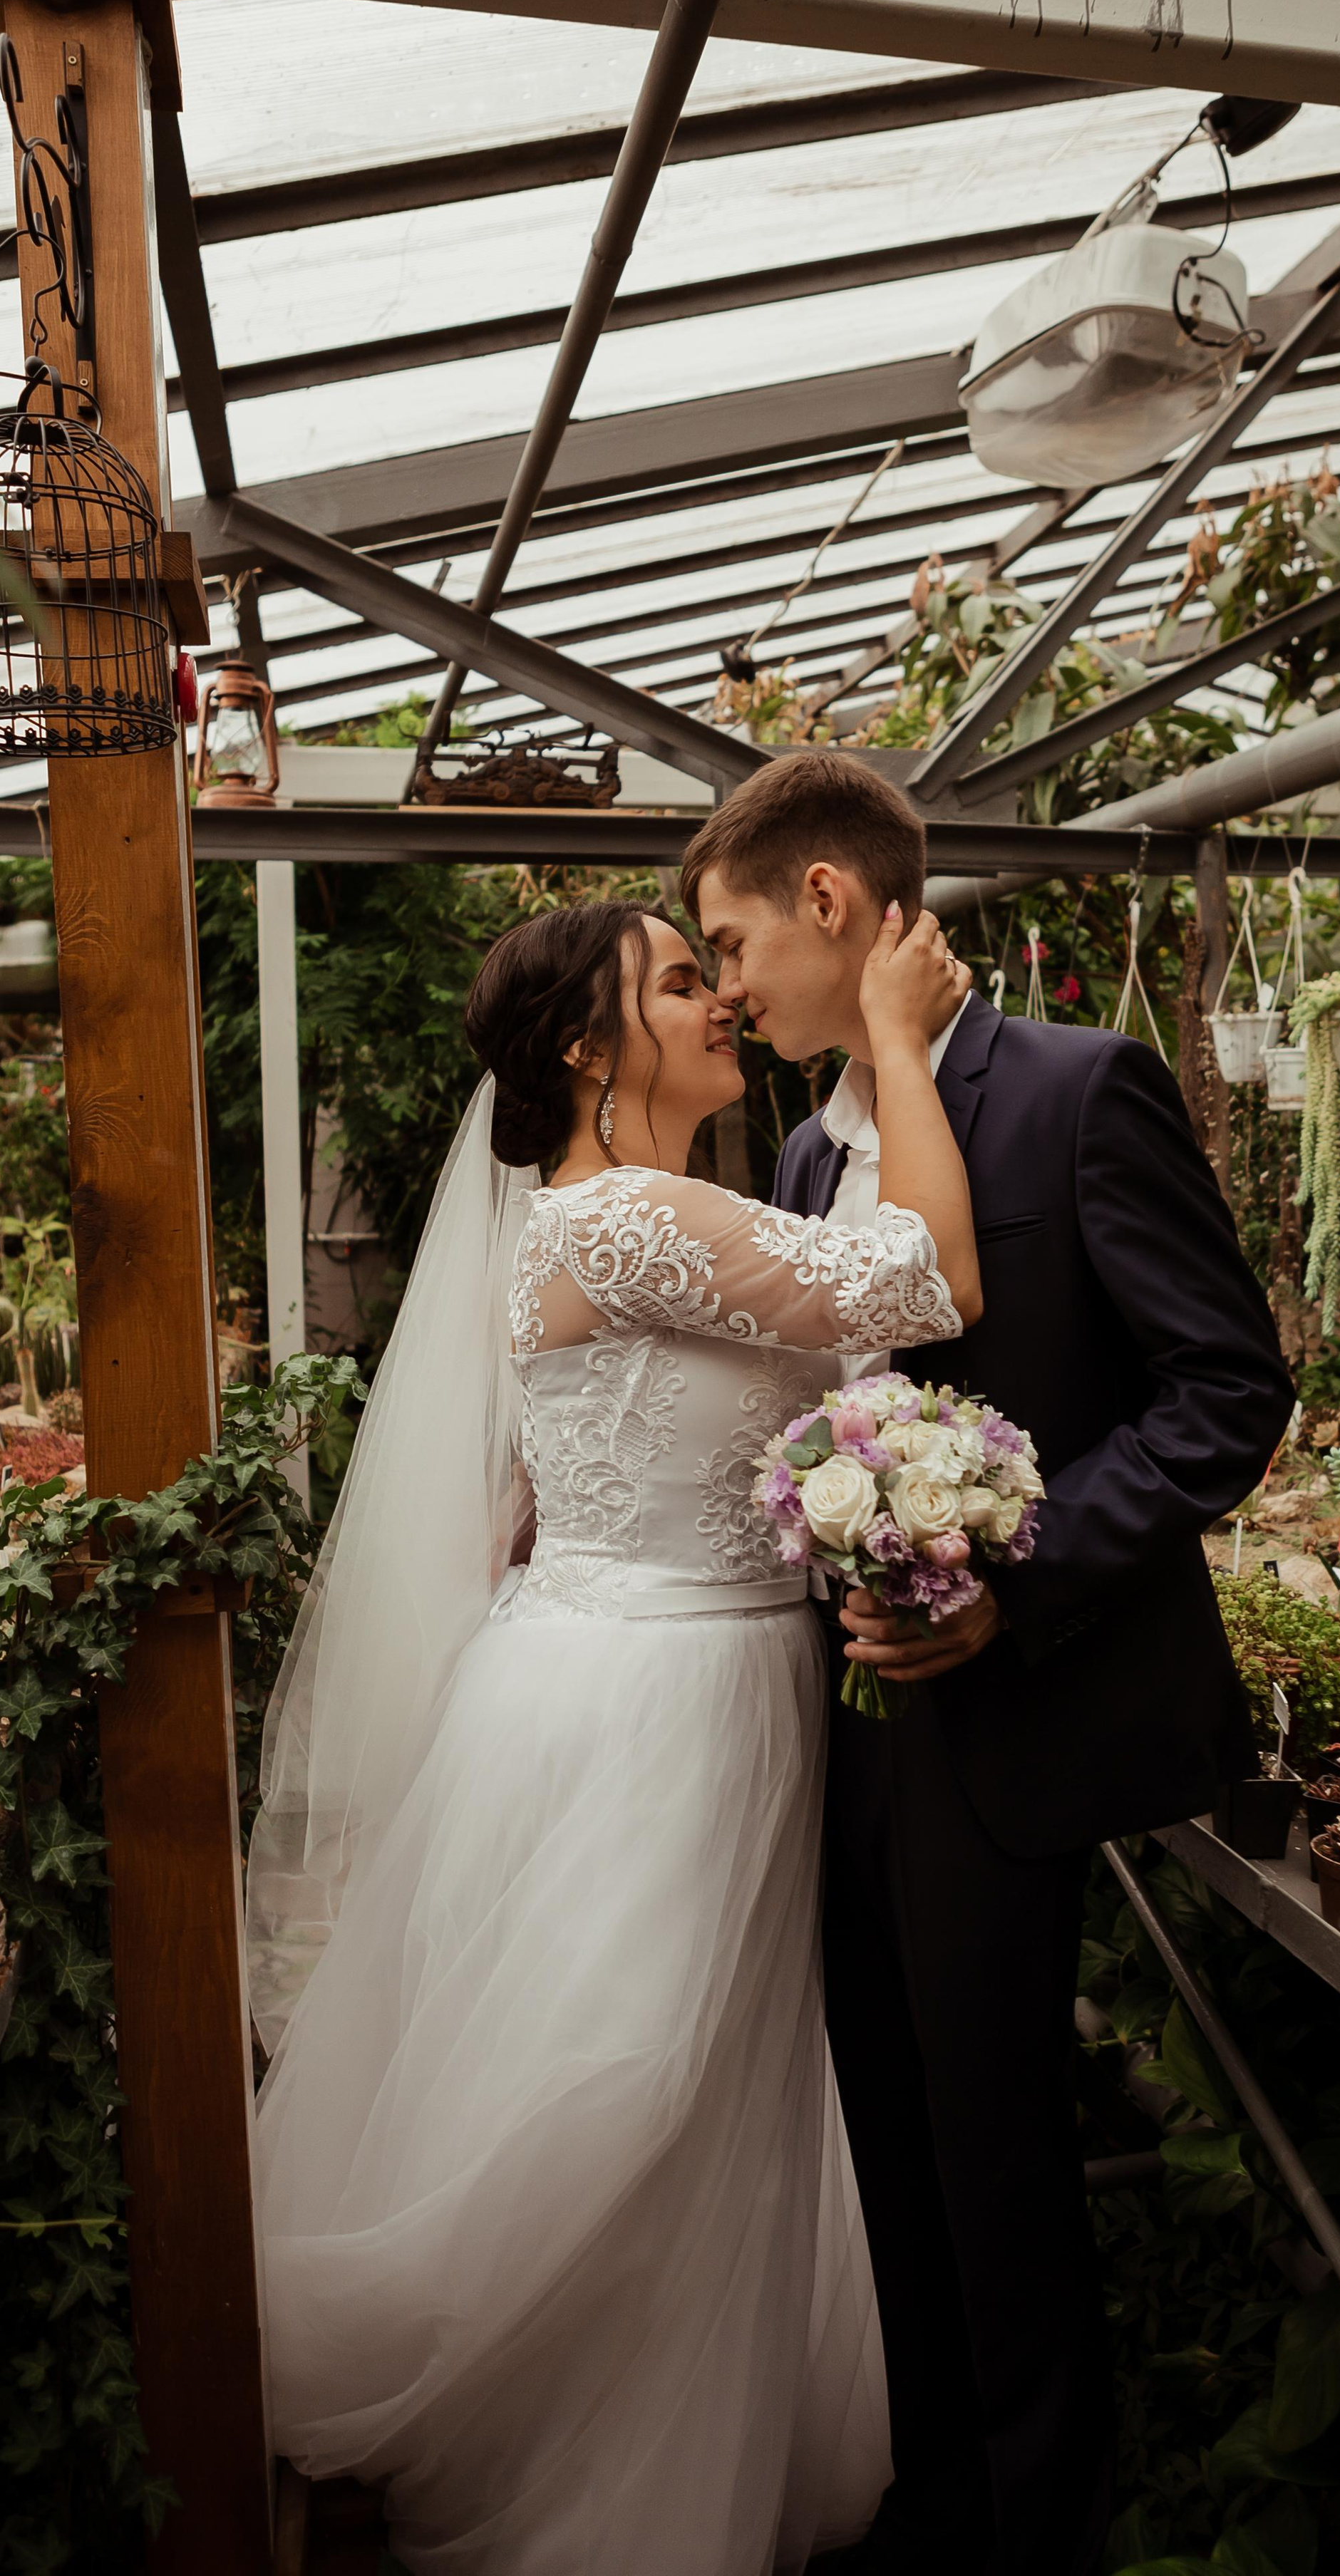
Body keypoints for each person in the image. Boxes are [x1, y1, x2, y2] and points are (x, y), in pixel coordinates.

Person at [245, 892, 978, 2573]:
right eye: (675, 978)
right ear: (587, 1046)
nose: (719, 996)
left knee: (704, 2089)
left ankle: (658, 2452)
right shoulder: (624, 1218)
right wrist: (895, 1041)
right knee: (629, 2086)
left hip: (674, 1674)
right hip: (655, 1703)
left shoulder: (638, 1212)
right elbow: (926, 1280)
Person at [683, 755, 1296, 2576]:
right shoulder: (801, 1150)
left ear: (829, 904)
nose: (723, 994)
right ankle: (930, 2493)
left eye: (730, 944)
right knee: (884, 2122)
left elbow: (1223, 1395)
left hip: (1022, 1713)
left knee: (998, 2157)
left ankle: (1035, 2529)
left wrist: (1006, 1591)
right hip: (852, 1732)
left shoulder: (1078, 1089)